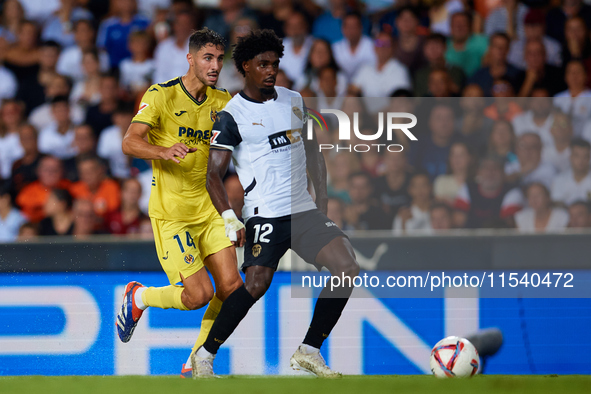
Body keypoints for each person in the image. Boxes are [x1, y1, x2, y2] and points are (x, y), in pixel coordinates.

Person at [194, 29, 359, 378]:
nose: (271, 70)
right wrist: (228, 216)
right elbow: (213, 174)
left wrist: (323, 203)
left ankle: (309, 350)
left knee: (346, 268)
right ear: (245, 67)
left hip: (304, 211)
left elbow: (313, 152)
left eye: (275, 64)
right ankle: (205, 355)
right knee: (255, 285)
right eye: (263, 64)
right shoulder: (231, 115)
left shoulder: (294, 100)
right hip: (264, 212)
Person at [116, 28, 243, 379]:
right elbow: (130, 141)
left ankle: (198, 363)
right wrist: (162, 151)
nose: (215, 65)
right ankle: (139, 298)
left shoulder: (223, 100)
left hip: (209, 210)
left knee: (232, 288)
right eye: (208, 57)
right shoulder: (161, 96)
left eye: (219, 58)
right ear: (191, 59)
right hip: (172, 215)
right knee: (199, 294)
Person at [454, 156, 523, 228]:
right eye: (486, 168)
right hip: (470, 237)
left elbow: (509, 225)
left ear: (502, 172)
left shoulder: (513, 191)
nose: (490, 172)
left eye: (495, 168)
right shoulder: (467, 188)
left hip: (500, 238)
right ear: (478, 171)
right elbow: (458, 222)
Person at [551, 138, 591, 205]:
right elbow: (557, 204)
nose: (581, 160)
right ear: (570, 157)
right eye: (577, 156)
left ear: (589, 158)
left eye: (585, 156)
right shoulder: (559, 180)